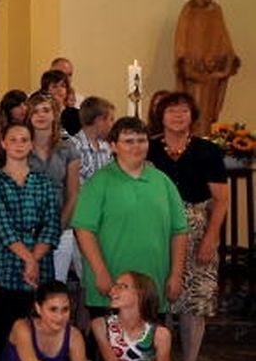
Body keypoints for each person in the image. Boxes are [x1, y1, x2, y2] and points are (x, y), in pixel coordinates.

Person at [147, 92, 227, 361]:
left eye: (183, 111)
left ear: (192, 116)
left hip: (197, 233)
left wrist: (210, 239)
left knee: (194, 304)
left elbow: (221, 200)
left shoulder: (208, 150)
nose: (178, 116)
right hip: (156, 232)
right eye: (171, 111)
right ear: (161, 116)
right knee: (161, 301)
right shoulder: (149, 148)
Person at [72, 117, 188, 316]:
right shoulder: (99, 182)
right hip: (111, 286)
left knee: (151, 336)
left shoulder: (163, 182)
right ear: (113, 146)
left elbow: (179, 231)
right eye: (128, 141)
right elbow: (84, 230)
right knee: (109, 337)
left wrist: (176, 275)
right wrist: (100, 272)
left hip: (153, 286)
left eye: (141, 140)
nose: (136, 146)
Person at [0, 122, 61, 361]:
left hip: (41, 265)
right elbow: (2, 227)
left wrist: (35, 260)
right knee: (6, 329)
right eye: (13, 139)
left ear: (31, 145)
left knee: (39, 328)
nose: (19, 145)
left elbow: (51, 224)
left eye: (24, 140)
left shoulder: (43, 182)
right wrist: (28, 260)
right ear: (3, 144)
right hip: (7, 265)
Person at [173, 0, 241, 134]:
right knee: (193, 110)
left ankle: (205, 138)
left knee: (208, 113)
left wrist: (227, 60)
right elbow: (181, 39)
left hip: (212, 73)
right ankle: (194, 138)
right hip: (194, 73)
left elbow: (223, 37)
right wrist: (185, 63)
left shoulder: (216, 11)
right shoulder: (189, 10)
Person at [26, 92, 81, 282]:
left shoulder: (68, 149)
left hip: (61, 228)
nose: (40, 115)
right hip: (29, 229)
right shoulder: (22, 147)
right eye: (35, 111)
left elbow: (73, 193)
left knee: (56, 285)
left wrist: (58, 228)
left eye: (46, 110)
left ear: (55, 114)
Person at [68, 96, 115, 184]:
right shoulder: (73, 147)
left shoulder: (106, 148)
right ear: (99, 120)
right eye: (111, 120)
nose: (113, 125)